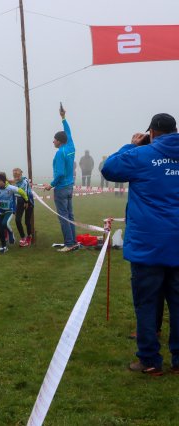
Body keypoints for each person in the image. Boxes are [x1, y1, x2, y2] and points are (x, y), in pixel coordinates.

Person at [101, 112, 179, 376]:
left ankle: (149, 359)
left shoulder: (141, 155)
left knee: (146, 303)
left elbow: (109, 168)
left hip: (148, 244)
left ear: (152, 133)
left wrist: (132, 145)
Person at [44, 105, 79, 252]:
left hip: (61, 188)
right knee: (70, 215)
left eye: (55, 139)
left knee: (63, 217)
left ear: (59, 141)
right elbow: (68, 132)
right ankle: (73, 241)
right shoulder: (70, 146)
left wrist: (50, 185)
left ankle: (69, 244)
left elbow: (59, 174)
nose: (53, 141)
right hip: (70, 187)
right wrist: (63, 118)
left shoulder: (60, 153)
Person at [0, 172, 29, 254]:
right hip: (0, 211)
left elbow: (22, 192)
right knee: (0, 228)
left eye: (0, 180)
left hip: (10, 210)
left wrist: (26, 200)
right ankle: (3, 246)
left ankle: (10, 233)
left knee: (5, 223)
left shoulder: (10, 188)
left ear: (4, 180)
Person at [12, 168, 33, 247]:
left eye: (18, 176)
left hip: (28, 201)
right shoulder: (14, 182)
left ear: (21, 174)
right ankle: (23, 237)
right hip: (20, 202)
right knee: (17, 220)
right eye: (15, 176)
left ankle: (29, 237)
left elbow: (26, 192)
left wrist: (26, 202)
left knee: (27, 221)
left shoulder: (25, 182)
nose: (17, 178)